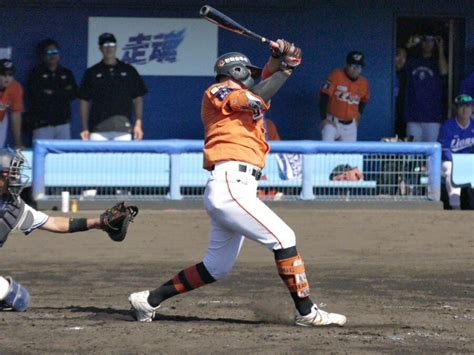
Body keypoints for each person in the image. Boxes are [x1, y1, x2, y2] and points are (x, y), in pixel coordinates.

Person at [129, 41, 346, 327]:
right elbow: (256, 97)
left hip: (238, 186)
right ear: (237, 70)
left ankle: (148, 300)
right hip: (231, 183)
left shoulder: (242, 90)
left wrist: (278, 57)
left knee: (217, 267)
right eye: (249, 72)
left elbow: (263, 80)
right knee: (284, 238)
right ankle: (306, 312)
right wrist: (286, 70)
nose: (254, 76)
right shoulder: (218, 90)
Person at [0, 148, 138, 311]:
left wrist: (97, 223)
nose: (17, 177)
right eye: (13, 172)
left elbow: (53, 223)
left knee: (18, 298)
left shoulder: (13, 207)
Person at [78, 33, 147, 141]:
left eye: (111, 44)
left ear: (116, 46)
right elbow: (84, 101)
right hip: (98, 130)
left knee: (122, 158)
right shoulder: (92, 72)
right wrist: (84, 128)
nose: (108, 48)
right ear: (100, 48)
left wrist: (138, 124)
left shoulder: (129, 70)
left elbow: (138, 98)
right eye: (105, 45)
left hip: (123, 129)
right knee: (97, 159)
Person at [27, 38, 77, 140]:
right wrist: (62, 91)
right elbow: (36, 95)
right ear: (43, 55)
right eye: (49, 52)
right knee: (41, 155)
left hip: (63, 123)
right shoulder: (36, 73)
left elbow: (73, 94)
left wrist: (51, 92)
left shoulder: (66, 73)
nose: (52, 55)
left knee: (63, 155)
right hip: (42, 124)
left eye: (55, 52)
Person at [403, 35, 448, 141]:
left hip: (433, 118)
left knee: (432, 153)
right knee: (412, 154)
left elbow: (444, 71)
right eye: (424, 41)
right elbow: (397, 63)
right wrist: (409, 45)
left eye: (431, 41)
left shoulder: (436, 62)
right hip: (413, 117)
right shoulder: (412, 61)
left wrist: (440, 48)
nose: (428, 44)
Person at [319, 51, 370, 142]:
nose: (356, 70)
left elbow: (364, 100)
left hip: (350, 125)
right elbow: (324, 95)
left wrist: (358, 115)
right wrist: (323, 118)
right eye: (353, 66)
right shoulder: (336, 75)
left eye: (359, 67)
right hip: (332, 121)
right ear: (347, 65)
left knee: (350, 155)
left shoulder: (364, 83)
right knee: (326, 152)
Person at [438, 94, 474, 210]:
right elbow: (445, 152)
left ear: (472, 109)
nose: (465, 109)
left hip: (468, 161)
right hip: (449, 161)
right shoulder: (448, 126)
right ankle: (456, 207)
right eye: (461, 106)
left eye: (468, 106)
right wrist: (462, 162)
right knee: (451, 170)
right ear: (456, 109)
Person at [0, 59, 23, 148]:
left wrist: (18, 142)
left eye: (10, 75)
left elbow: (16, 115)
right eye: (3, 74)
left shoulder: (15, 87)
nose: (7, 78)